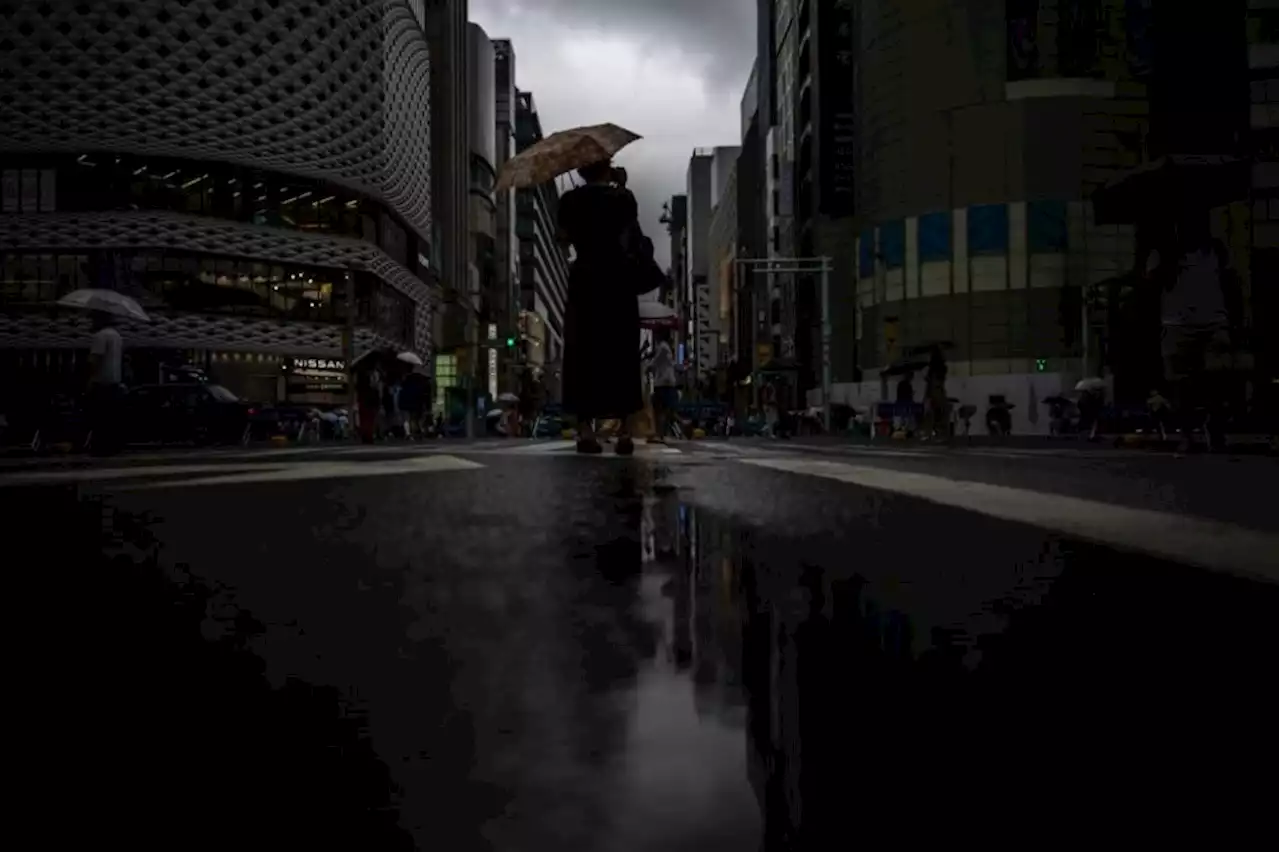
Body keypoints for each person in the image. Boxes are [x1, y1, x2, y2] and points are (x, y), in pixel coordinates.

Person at [556, 159, 645, 454]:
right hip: (617, 278)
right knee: (621, 349)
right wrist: (621, 186)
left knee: (583, 350)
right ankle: (624, 433)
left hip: (585, 279)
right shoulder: (623, 198)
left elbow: (562, 240)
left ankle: (585, 431)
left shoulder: (569, 199)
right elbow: (630, 234)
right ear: (608, 168)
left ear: (580, 171)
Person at [87, 310, 124, 455]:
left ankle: (100, 448)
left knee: (99, 418)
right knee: (112, 419)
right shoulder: (117, 336)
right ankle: (113, 447)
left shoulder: (100, 336)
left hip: (101, 382)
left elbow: (95, 359)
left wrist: (89, 379)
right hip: (115, 381)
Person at [648, 330, 679, 443]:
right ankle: (661, 434)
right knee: (665, 410)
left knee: (660, 409)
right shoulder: (667, 347)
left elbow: (655, 362)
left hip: (662, 382)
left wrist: (649, 366)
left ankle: (660, 434)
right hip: (667, 382)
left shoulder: (662, 347)